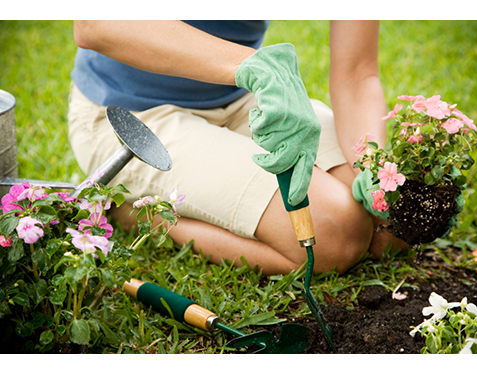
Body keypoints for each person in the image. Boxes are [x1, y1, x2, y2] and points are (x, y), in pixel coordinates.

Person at [68, 20, 407, 276]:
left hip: (237, 96)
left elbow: (356, 73)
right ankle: (141, 214)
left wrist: (372, 168)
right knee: (335, 236)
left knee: (390, 230)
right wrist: (253, 66)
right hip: (133, 117)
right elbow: (96, 23)